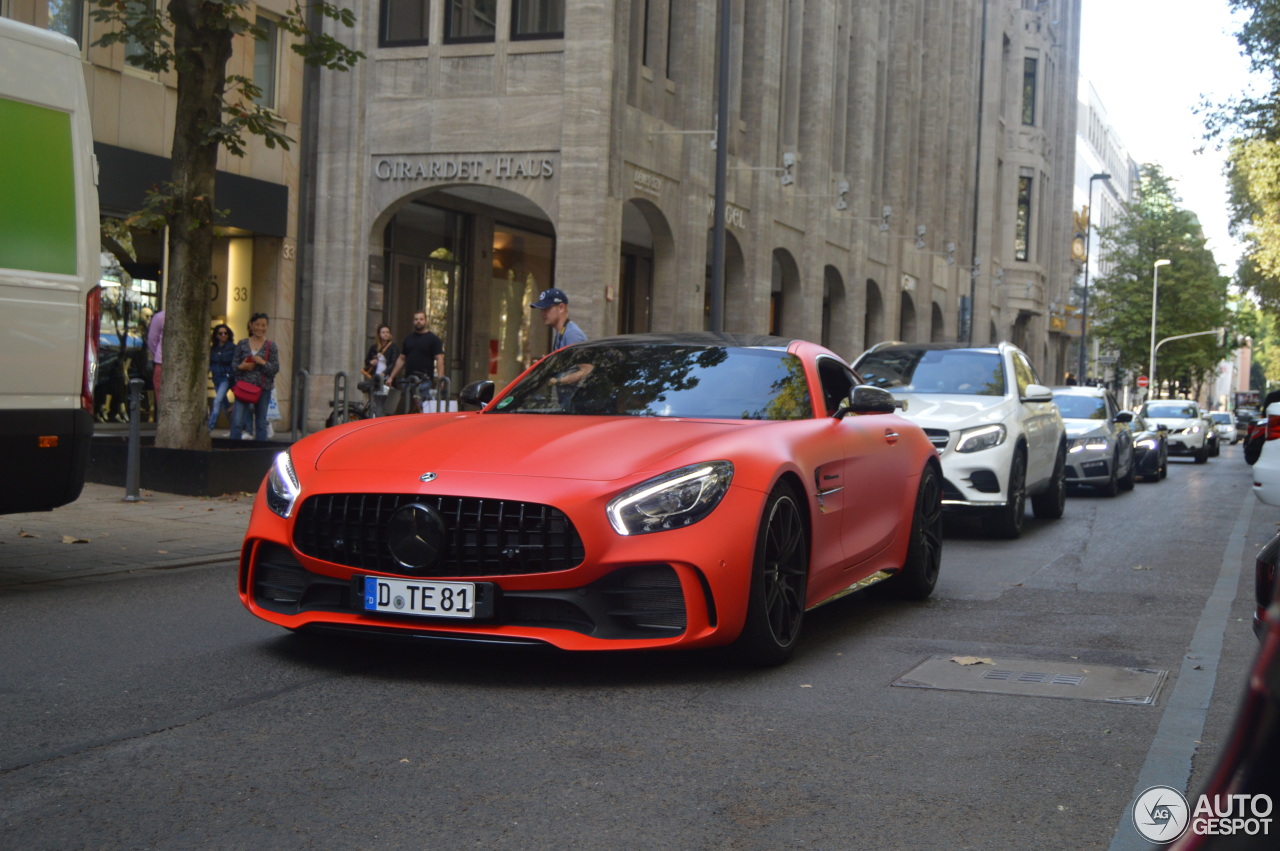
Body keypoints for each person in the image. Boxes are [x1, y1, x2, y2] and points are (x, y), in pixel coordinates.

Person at [229, 313, 280, 441]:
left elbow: (274, 369)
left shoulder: (271, 346)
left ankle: (260, 453)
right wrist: (243, 366)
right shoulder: (242, 344)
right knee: (237, 422)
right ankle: (233, 450)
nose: (260, 328)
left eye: (263, 325)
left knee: (261, 423)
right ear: (251, 325)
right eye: (257, 324)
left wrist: (262, 362)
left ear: (267, 327)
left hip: (263, 388)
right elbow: (234, 366)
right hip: (244, 387)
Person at [385, 311, 444, 411]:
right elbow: (401, 359)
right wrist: (391, 377)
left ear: (426, 321)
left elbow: (440, 359)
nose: (418, 321)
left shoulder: (434, 340)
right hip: (409, 380)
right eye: (416, 319)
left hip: (424, 380)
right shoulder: (408, 339)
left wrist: (440, 378)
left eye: (421, 319)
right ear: (413, 321)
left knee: (422, 407)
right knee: (407, 407)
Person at [363, 323, 400, 417]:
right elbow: (367, 361)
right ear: (379, 334)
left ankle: (380, 418)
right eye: (383, 332)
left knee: (385, 403)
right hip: (375, 378)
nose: (385, 334)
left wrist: (385, 373)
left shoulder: (393, 347)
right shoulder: (374, 347)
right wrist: (371, 362)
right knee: (376, 401)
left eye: (387, 332)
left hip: (386, 378)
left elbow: (393, 363)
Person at [207, 323, 236, 432]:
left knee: (217, 401)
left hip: (226, 377)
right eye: (221, 333)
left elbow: (235, 363)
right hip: (216, 378)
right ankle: (234, 429)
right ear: (216, 335)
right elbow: (210, 363)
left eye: (225, 333)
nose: (223, 335)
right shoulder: (213, 349)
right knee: (225, 404)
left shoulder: (232, 348)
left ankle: (209, 427)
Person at [145, 307, 165, 409]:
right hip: (161, 362)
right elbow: (152, 341)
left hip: (161, 360)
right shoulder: (160, 317)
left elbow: (152, 341)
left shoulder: (160, 317)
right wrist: (158, 354)